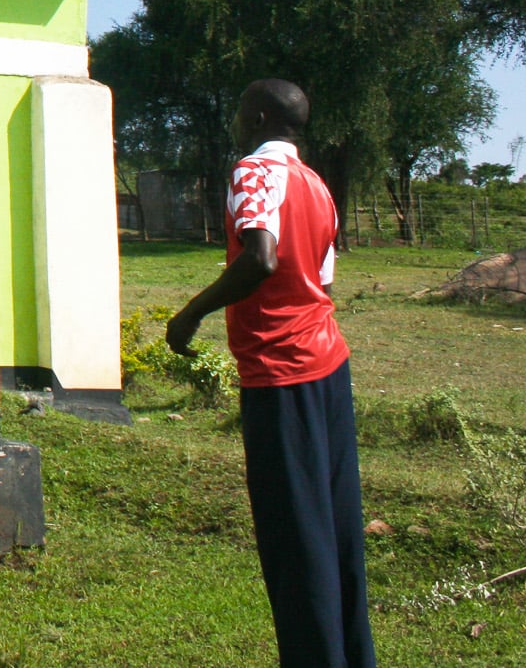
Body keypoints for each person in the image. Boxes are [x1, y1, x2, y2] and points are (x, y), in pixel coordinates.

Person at [167, 79, 376, 668]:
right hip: (328, 367)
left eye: (239, 110)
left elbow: (261, 258)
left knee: (294, 534)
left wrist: (190, 314)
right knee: (334, 526)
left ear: (257, 116)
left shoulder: (255, 172)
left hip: (280, 375)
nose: (236, 121)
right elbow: (322, 279)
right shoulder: (316, 185)